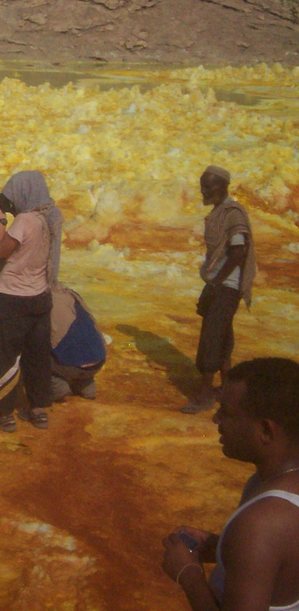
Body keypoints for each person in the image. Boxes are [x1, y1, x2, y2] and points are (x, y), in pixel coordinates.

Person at [162, 357, 299, 611]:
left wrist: (189, 577)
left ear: (267, 431)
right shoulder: (271, 486)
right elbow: (277, 562)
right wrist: (219, 546)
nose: (216, 420)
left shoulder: (261, 525)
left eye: (226, 412)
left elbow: (264, 542)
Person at [0, 170, 62, 432]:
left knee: (5, 357)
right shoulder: (51, 218)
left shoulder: (24, 220)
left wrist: (2, 220)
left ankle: (4, 414)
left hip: (12, 300)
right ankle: (38, 410)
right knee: (36, 356)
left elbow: (0, 250)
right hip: (40, 298)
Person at [183, 165, 257, 414]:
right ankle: (227, 390)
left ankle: (205, 395)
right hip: (219, 284)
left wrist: (216, 283)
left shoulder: (233, 214)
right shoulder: (219, 212)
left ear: (222, 187)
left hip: (227, 286)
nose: (203, 191)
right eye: (202, 186)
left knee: (212, 337)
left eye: (208, 187)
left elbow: (238, 253)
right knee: (223, 335)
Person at [49, 283, 106, 401]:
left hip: (69, 365)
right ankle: (86, 386)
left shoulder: (45, 301)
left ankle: (58, 386)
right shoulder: (72, 295)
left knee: (33, 351)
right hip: (98, 360)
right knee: (80, 347)